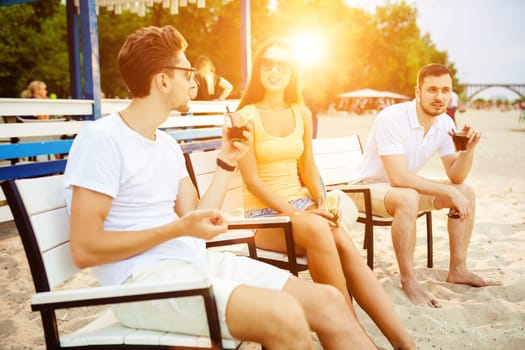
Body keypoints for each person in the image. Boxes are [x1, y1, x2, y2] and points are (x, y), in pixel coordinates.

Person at [63, 25, 377, 349]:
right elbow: (85, 249)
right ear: (163, 80)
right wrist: (175, 230)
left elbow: (196, 217)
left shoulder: (166, 145)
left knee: (328, 301)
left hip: (193, 263)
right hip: (143, 283)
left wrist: (227, 161)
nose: (194, 81)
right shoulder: (102, 140)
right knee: (286, 315)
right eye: (188, 73)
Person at [234, 38, 415, 349]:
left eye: (282, 64)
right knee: (319, 226)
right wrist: (300, 214)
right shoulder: (245, 117)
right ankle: (352, 335)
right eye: (267, 63)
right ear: (258, 69)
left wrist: (322, 202)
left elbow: (309, 167)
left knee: (338, 235)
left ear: (292, 72)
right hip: (266, 219)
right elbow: (252, 182)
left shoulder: (301, 112)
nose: (274, 70)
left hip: (303, 209)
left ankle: (404, 344)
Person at [350, 63, 500, 308]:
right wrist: (447, 190)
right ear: (417, 91)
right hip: (365, 189)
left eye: (445, 90)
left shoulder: (445, 123)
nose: (439, 97)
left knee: (466, 192)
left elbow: (456, 176)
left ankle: (458, 270)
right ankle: (409, 280)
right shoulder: (392, 117)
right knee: (409, 195)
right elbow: (398, 176)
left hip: (400, 192)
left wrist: (468, 151)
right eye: (432, 90)